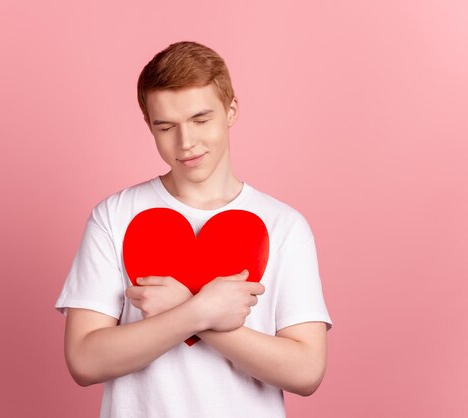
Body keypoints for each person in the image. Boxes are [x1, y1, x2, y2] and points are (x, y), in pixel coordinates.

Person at [54, 40, 333, 418]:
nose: (186, 143)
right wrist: (197, 312)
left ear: (231, 110)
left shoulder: (285, 226)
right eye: (166, 126)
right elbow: (85, 361)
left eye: (201, 120)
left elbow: (306, 371)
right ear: (148, 124)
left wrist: (186, 310)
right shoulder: (114, 215)